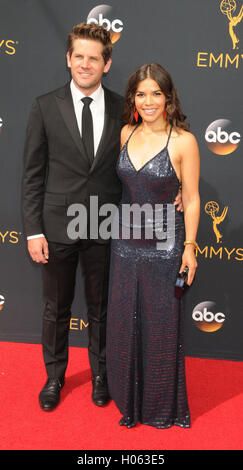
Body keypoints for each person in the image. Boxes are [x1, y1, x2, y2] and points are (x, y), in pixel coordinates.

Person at [22, 24, 183, 412]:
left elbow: (159, 143)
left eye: (94, 58)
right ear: (68, 59)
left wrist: (176, 185)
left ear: (106, 63)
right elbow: (32, 173)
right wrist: (33, 231)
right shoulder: (44, 106)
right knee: (55, 308)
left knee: (102, 308)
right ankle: (54, 376)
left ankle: (101, 376)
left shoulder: (123, 111)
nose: (86, 64)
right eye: (79, 56)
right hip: (58, 224)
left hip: (107, 224)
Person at [106, 63, 200, 428]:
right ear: (133, 98)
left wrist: (190, 247)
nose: (149, 101)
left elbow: (191, 199)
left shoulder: (184, 141)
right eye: (141, 94)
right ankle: (127, 397)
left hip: (166, 247)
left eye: (156, 93)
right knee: (125, 324)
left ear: (168, 97)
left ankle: (161, 406)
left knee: (161, 326)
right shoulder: (126, 133)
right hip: (125, 245)